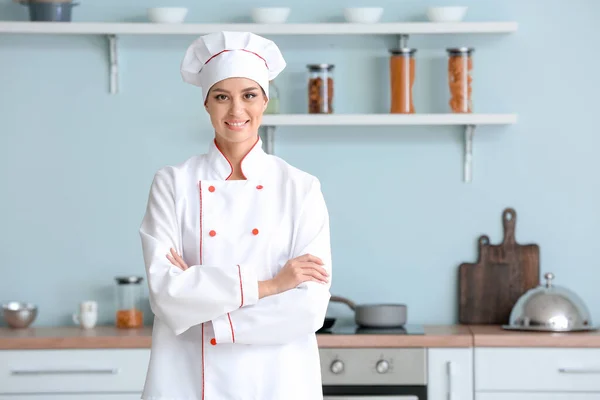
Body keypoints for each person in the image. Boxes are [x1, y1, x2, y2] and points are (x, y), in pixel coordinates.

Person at [138, 31, 333, 400]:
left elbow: (308, 306)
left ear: (265, 101)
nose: (236, 110)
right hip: (187, 379)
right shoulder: (172, 183)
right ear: (206, 105)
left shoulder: (301, 188)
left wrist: (201, 302)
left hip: (277, 379)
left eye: (249, 95)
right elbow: (165, 292)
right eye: (222, 97)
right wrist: (272, 286)